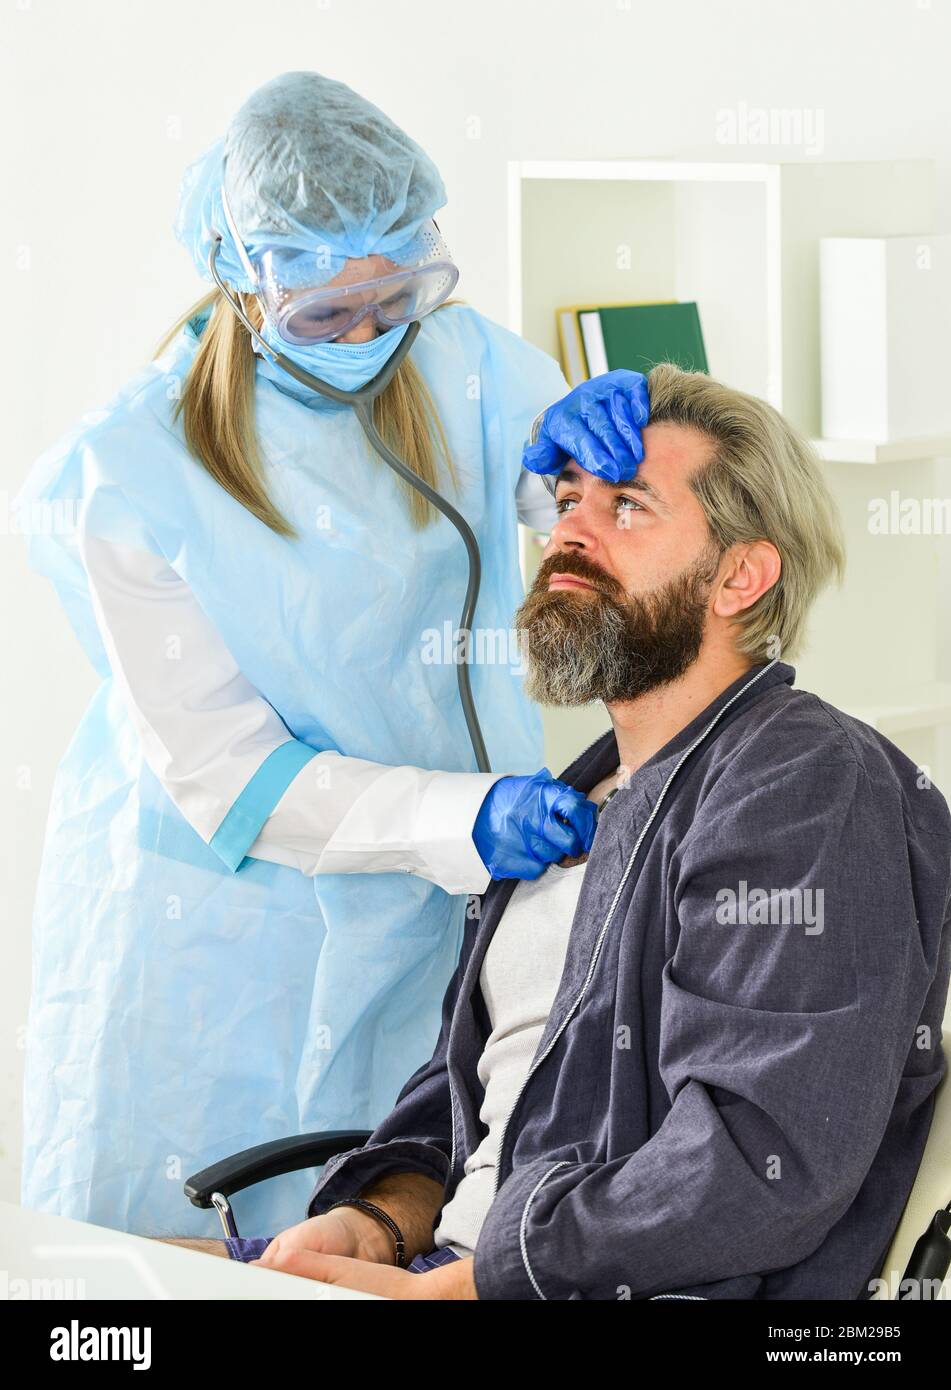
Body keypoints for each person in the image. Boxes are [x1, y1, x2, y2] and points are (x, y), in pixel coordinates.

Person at [14, 70, 651, 1237]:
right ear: (246, 286)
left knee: (397, 1201)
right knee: (206, 1244)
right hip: (220, 934)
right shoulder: (131, 473)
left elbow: (565, 503)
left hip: (441, 897)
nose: (367, 336)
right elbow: (236, 778)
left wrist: (588, 453)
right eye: (326, 316)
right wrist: (464, 819)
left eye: (394, 297)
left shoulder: (460, 362)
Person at [180, 364, 951, 1298]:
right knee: (80, 1278)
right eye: (565, 498)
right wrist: (378, 1221)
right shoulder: (584, 795)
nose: (567, 536)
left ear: (740, 576)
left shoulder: (803, 783)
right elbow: (473, 1094)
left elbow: (760, 1160)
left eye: (625, 505)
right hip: (450, 1267)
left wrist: (459, 1287)